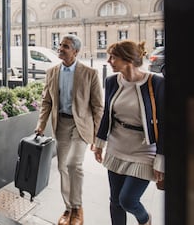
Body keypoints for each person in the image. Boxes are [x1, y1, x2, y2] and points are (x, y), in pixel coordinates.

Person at [93, 40, 165, 225]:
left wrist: (162, 158)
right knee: (115, 201)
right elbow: (106, 115)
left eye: (113, 57)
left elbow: (165, 124)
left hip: (144, 150)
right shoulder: (111, 81)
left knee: (128, 200)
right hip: (116, 147)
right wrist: (99, 144)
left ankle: (145, 219)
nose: (109, 61)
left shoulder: (155, 83)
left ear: (128, 60)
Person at [35, 34, 104, 225]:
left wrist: (99, 138)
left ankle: (78, 207)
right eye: (60, 45)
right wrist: (41, 124)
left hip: (81, 125)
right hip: (61, 125)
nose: (60, 48)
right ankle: (68, 209)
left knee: (74, 164)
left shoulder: (89, 73)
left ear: (75, 51)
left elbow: (98, 106)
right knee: (62, 167)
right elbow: (46, 101)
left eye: (65, 46)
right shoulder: (52, 72)